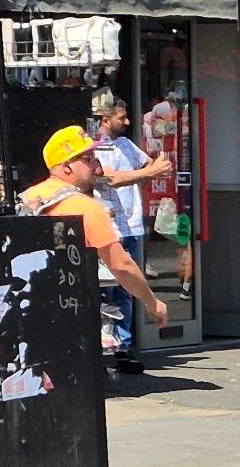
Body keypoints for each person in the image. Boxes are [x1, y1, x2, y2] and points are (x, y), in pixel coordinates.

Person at [22, 127, 168, 363]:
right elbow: (121, 265)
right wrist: (152, 302)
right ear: (66, 166)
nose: (95, 166)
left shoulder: (28, 198)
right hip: (70, 321)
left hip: (32, 315)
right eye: (87, 159)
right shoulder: (87, 207)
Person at [88, 92, 170, 372]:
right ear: (104, 118)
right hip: (108, 226)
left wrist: (152, 172)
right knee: (106, 288)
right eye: (120, 117)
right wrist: (147, 174)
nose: (126, 121)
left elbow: (149, 167)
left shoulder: (126, 144)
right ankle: (105, 345)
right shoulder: (93, 149)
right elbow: (112, 178)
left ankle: (123, 345)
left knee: (127, 287)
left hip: (132, 225)